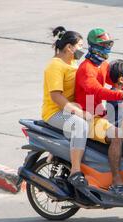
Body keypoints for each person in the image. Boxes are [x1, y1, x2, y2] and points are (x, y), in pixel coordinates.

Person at [75, 28, 123, 195]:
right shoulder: (86, 69)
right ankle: (117, 181)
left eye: (109, 44)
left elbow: (122, 82)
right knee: (117, 135)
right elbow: (97, 91)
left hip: (101, 115)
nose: (107, 48)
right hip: (88, 118)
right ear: (94, 46)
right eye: (104, 45)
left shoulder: (102, 65)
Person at [42, 26, 91, 185]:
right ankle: (75, 171)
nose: (82, 49)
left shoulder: (73, 61)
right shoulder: (55, 65)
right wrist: (77, 112)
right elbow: (56, 96)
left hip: (70, 107)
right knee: (80, 126)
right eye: (80, 46)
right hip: (55, 112)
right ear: (69, 47)